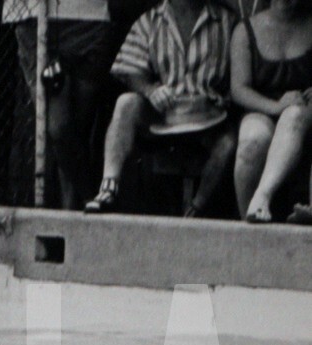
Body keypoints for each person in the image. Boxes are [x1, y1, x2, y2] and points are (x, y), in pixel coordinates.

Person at [83, 0, 239, 215]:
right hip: (165, 115)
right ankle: (108, 187)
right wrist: (150, 89)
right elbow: (129, 69)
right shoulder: (150, 20)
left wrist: (223, 98)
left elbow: (241, 76)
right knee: (126, 103)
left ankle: (196, 209)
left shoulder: (227, 22)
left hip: (210, 118)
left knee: (228, 142)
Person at [3, 0, 116, 209]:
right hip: (36, 18)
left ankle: (71, 215)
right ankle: (90, 197)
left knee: (76, 132)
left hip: (91, 18)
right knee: (59, 128)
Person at [230, 0, 312, 222]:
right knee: (252, 141)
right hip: (263, 107)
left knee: (293, 116)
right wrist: (276, 107)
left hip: (304, 112)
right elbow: (239, 89)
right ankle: (250, 218)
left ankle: (262, 196)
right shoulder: (245, 30)